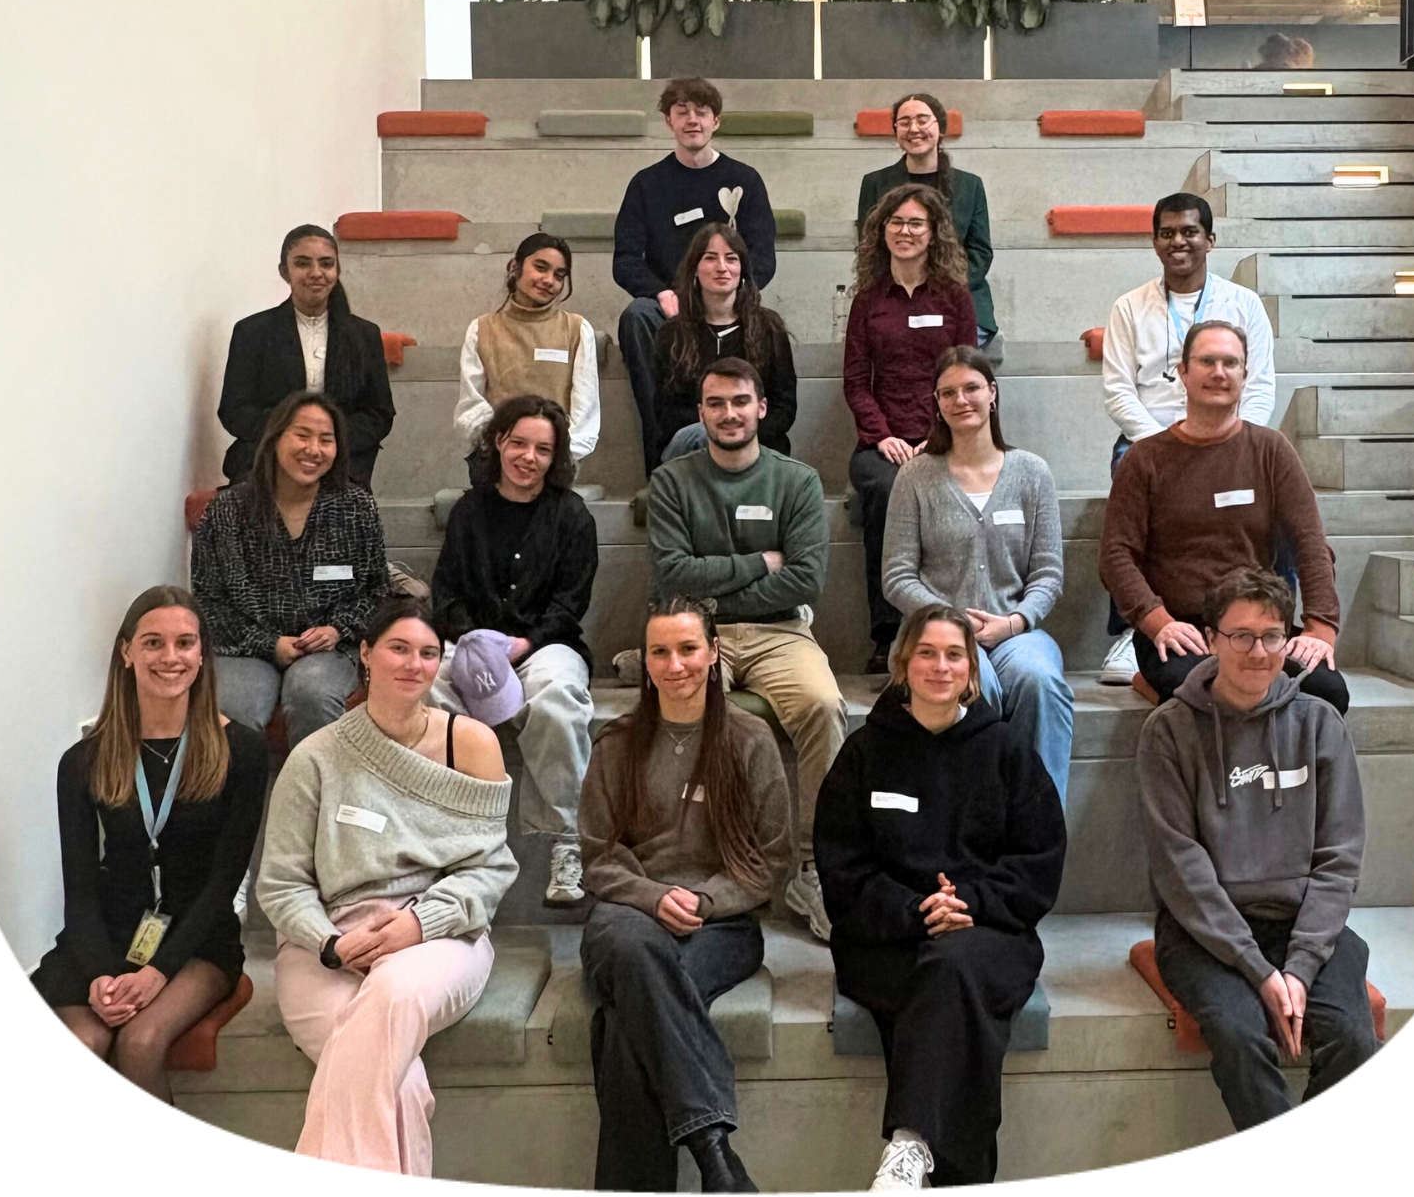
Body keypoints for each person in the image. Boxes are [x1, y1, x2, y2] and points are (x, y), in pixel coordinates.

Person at [257, 597, 514, 1172]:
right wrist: (330, 943)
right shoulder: (315, 757)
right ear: (366, 654)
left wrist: (419, 923)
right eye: (398, 648)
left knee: (395, 993)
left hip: (439, 933)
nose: (413, 664)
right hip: (325, 946)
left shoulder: (471, 743)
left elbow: (492, 870)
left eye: (428, 653)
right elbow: (281, 884)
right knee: (401, 1086)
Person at [814, 605, 1066, 1190]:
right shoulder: (864, 754)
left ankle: (909, 1145)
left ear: (973, 670)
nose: (940, 666)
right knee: (950, 984)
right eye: (926, 653)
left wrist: (970, 903)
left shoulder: (1006, 752)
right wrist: (916, 910)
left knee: (955, 968)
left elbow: (1038, 864)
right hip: (886, 940)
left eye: (955, 654)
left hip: (989, 934)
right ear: (902, 664)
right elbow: (842, 868)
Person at [1138, 565, 1379, 1130]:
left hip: (1302, 923)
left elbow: (1339, 859)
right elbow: (1180, 867)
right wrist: (1258, 970)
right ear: (1211, 639)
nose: (1258, 652)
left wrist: (1299, 967)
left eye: (1271, 636)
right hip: (1203, 933)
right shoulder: (1169, 730)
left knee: (1352, 1037)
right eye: (1241, 636)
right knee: (1241, 1036)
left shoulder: (1319, 724)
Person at [578, 598, 795, 1192]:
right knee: (633, 952)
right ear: (646, 662)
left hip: (721, 925)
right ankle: (714, 1152)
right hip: (627, 917)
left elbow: (772, 858)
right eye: (660, 652)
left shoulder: (749, 739)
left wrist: (705, 900)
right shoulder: (617, 742)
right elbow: (597, 855)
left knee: (627, 1023)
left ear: (714, 652)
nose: (675, 665)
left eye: (688, 649)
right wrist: (651, 896)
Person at [31, 587, 269, 1097]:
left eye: (185, 643)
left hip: (197, 938)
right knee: (83, 1041)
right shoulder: (82, 761)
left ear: (202, 654)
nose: (170, 657)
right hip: (110, 930)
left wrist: (158, 972)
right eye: (153, 642)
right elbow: (80, 890)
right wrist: (100, 974)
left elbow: (224, 883)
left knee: (140, 1040)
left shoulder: (242, 751)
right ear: (127, 652)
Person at [647, 357, 849, 942]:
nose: (729, 413)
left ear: (761, 408)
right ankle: (681, 863)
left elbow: (805, 580)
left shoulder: (797, 481)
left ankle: (812, 866)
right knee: (679, 709)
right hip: (696, 631)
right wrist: (760, 561)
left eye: (740, 402)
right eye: (716, 403)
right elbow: (672, 573)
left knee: (823, 706)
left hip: (779, 632)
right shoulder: (672, 482)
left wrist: (715, 586)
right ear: (701, 412)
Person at [1100, 320, 1348, 714]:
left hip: (1256, 627)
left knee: (1327, 691)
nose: (1219, 372)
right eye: (1207, 361)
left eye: (1230, 363)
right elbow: (1116, 556)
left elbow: (1311, 544)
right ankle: (1158, 686)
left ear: (1244, 375)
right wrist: (1156, 621)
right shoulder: (1144, 459)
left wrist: (1320, 628)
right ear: (1183, 372)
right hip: (1182, 630)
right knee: (1206, 690)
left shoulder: (1271, 450)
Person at [1096, 191, 1278, 683]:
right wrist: (1168, 445)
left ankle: (1272, 620)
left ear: (1210, 240)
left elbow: (1260, 385)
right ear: (1155, 241)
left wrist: (1235, 439)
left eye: (1189, 232)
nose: (1178, 241)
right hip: (1148, 438)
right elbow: (1118, 391)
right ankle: (1131, 631)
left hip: (1231, 434)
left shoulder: (1244, 304)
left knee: (1274, 498)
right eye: (1167, 233)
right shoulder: (1129, 307)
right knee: (1128, 479)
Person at [881, 346, 1073, 807]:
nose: (960, 400)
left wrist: (1015, 622)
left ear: (993, 393)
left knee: (1040, 682)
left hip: (1015, 631)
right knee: (967, 679)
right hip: (935, 631)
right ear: (936, 403)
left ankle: (1038, 816)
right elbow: (897, 575)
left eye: (971, 388)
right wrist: (951, 623)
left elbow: (1048, 573)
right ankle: (972, 813)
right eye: (948, 393)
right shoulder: (915, 477)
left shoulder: (1032, 473)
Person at [427, 393, 599, 908]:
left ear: (556, 456)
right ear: (498, 441)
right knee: (428, 692)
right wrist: (476, 641)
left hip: (547, 642)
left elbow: (571, 603)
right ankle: (447, 834)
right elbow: (446, 592)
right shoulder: (468, 511)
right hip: (475, 642)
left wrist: (525, 644)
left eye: (543, 449)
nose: (529, 457)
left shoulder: (572, 516)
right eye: (519, 443)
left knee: (557, 700)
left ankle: (562, 840)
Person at [192, 391, 388, 742]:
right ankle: (242, 782)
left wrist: (337, 629)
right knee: (236, 704)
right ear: (275, 437)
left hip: (330, 649)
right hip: (245, 647)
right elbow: (207, 603)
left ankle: (313, 780)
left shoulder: (356, 508)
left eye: (326, 440)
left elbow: (377, 592)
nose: (314, 449)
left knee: (311, 692)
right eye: (302, 435)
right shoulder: (227, 511)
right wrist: (269, 643)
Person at [614, 76, 779, 475]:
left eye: (701, 112)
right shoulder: (646, 184)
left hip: (729, 303)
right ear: (668, 121)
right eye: (682, 112)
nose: (692, 120)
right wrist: (662, 293)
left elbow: (763, 258)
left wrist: (730, 295)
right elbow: (625, 260)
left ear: (715, 121)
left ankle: (756, 452)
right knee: (636, 316)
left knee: (767, 325)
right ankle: (661, 458)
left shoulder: (745, 179)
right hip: (670, 309)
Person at [844, 182, 978, 673]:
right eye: (896, 222)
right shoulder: (868, 301)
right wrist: (884, 436)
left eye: (916, 223)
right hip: (882, 443)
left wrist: (934, 437)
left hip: (946, 436)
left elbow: (968, 376)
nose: (905, 231)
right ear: (882, 232)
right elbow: (855, 381)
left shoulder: (955, 298)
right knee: (884, 490)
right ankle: (887, 636)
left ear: (933, 232)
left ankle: (956, 626)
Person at [217, 223, 395, 488]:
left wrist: (328, 442)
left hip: (343, 461)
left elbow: (379, 413)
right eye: (302, 263)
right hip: (267, 457)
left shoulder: (364, 334)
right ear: (284, 271)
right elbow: (234, 411)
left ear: (337, 270)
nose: (316, 273)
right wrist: (289, 439)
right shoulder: (252, 332)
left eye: (326, 264)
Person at [855, 90, 997, 349]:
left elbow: (980, 253)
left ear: (940, 127)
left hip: (960, 299)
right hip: (895, 298)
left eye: (922, 120)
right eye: (904, 122)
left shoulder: (970, 185)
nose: (914, 129)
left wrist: (941, 292)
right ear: (896, 131)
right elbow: (869, 248)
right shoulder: (874, 183)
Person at [651, 221, 797, 463]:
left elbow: (784, 406)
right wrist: (719, 429)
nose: (722, 267)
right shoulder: (672, 334)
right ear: (695, 269)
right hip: (694, 448)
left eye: (731, 259)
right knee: (697, 436)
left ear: (742, 270)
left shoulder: (769, 328)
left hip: (758, 443)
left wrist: (741, 435)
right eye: (710, 258)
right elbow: (666, 412)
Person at [453, 230, 600, 466]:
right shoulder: (481, 329)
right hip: (495, 456)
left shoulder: (577, 329)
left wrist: (548, 454)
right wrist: (509, 449)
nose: (549, 280)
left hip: (556, 459)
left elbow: (585, 412)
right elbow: (471, 406)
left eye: (559, 275)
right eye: (540, 268)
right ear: (515, 267)